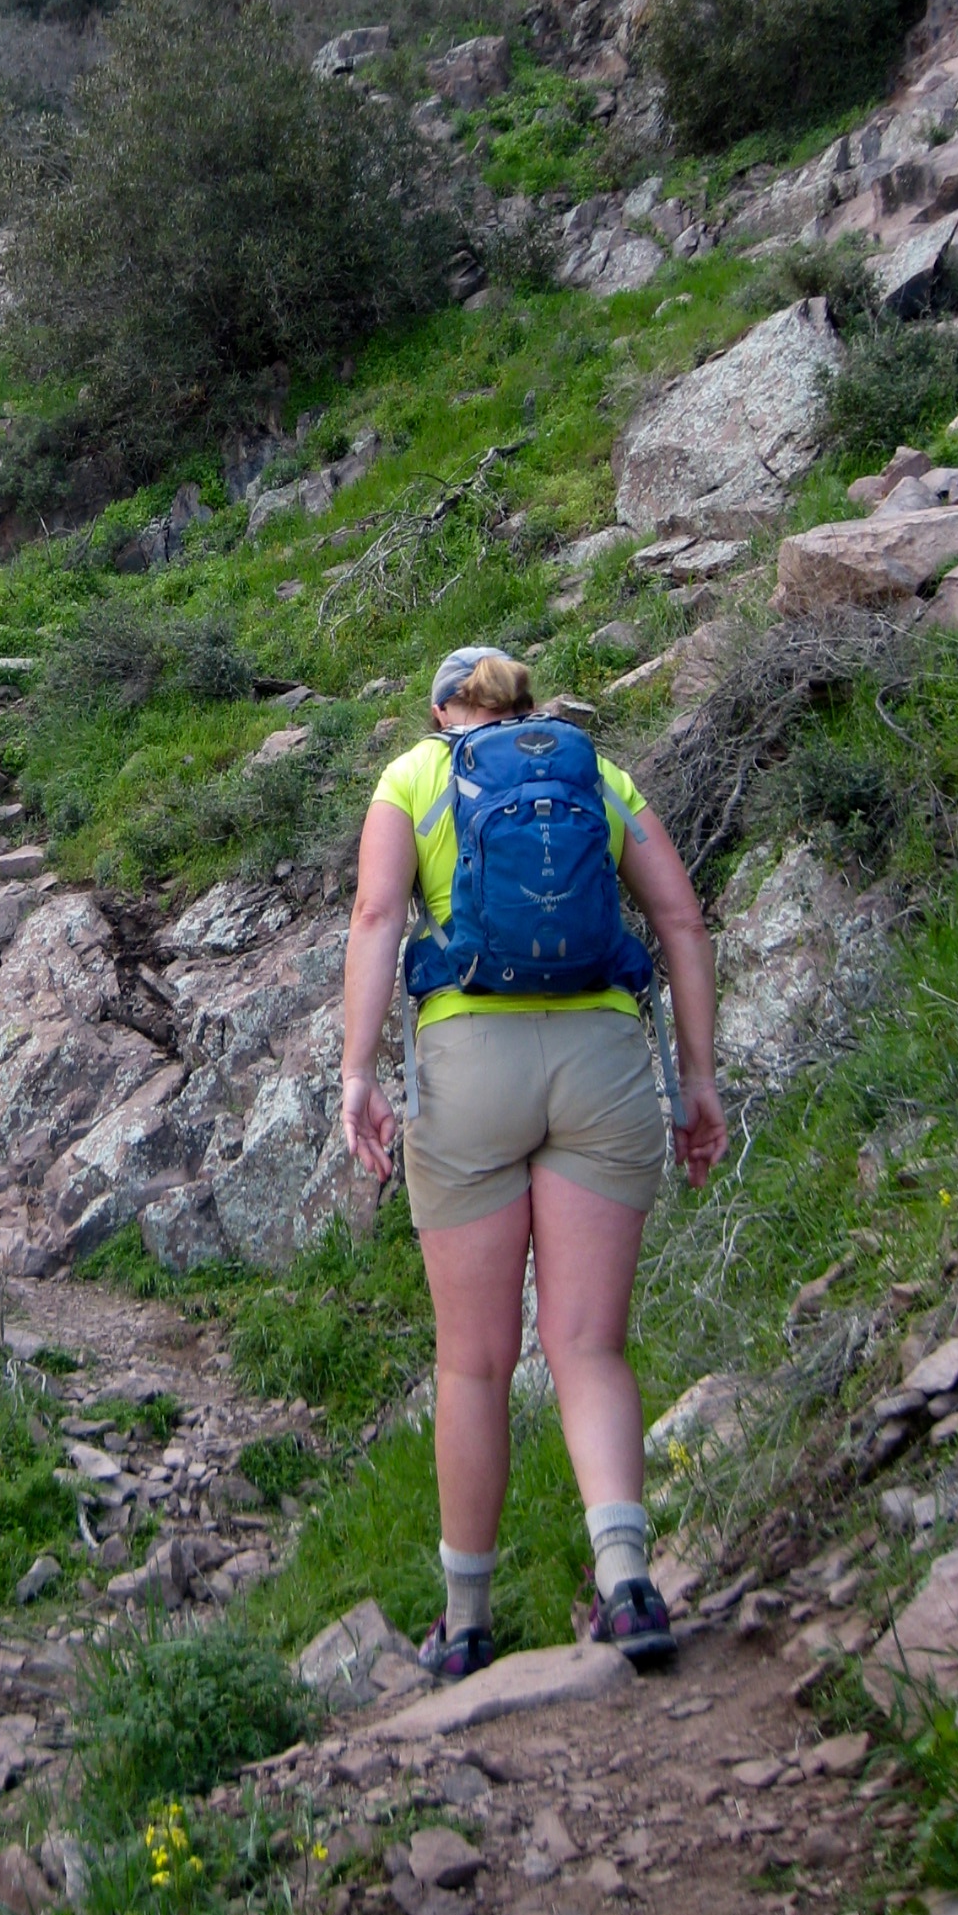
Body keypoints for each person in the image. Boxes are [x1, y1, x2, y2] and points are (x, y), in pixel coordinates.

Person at [339, 645, 728, 1678]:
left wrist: (357, 1073)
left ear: (441, 713)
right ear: (526, 708)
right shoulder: (596, 774)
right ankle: (629, 1585)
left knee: (474, 1360)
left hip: (471, 1068)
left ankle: (466, 1624)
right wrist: (697, 1080)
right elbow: (681, 920)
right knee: (589, 1346)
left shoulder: (412, 778)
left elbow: (377, 917)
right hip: (604, 1064)